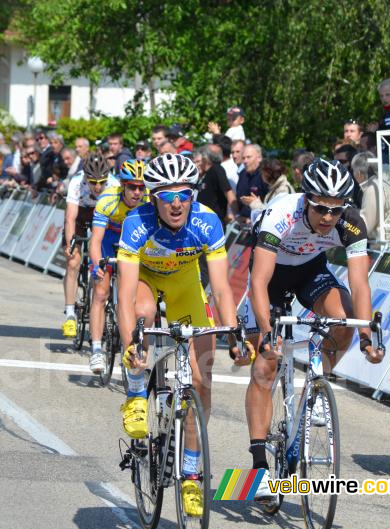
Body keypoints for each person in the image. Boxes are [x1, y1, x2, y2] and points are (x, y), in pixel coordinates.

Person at [117, 153, 249, 518]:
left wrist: (235, 335)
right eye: (167, 195)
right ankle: (134, 392)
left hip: (186, 286)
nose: (176, 203)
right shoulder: (136, 222)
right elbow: (125, 294)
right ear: (152, 197)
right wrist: (131, 344)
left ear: (193, 194)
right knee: (143, 314)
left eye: (184, 194)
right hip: (146, 281)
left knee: (202, 380)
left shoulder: (207, 222)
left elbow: (221, 290)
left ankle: (191, 473)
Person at [244, 158, 381, 499]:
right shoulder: (281, 213)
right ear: (306, 199)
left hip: (309, 271)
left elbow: (360, 283)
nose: (327, 217)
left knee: (343, 318)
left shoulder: (350, 223)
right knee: (265, 367)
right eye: (320, 208)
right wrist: (266, 333)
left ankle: (316, 389)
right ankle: (259, 466)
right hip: (271, 277)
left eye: (335, 211)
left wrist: (365, 335)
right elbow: (259, 281)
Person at [87, 160, 148, 374]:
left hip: (131, 244)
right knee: (101, 293)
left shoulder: (148, 201)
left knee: (131, 295)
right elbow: (95, 240)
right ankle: (96, 349)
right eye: (132, 186)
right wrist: (96, 265)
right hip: (107, 241)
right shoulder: (107, 199)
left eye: (141, 187)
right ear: (122, 185)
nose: (137, 192)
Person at [61, 153, 112, 337]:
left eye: (101, 182)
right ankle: (70, 315)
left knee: (103, 257)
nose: (97, 186)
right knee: (73, 261)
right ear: (85, 177)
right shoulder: (76, 183)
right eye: (93, 182)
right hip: (81, 214)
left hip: (104, 215)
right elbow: (70, 218)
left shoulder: (114, 184)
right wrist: (70, 243)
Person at [350, 152, 390, 242]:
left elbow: (365, 227)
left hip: (386, 246)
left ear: (358, 173)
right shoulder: (383, 184)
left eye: (353, 170)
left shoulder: (372, 189)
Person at [194, 144, 236, 225]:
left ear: (206, 158)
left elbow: (228, 191)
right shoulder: (206, 174)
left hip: (212, 222)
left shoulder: (217, 169)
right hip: (202, 221)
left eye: (200, 160)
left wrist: (235, 214)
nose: (198, 163)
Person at [235, 144, 268, 222]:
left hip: (261, 221)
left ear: (259, 158)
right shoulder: (242, 175)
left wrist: (254, 202)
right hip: (243, 222)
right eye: (243, 158)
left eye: (249, 157)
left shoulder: (265, 175)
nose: (245, 161)